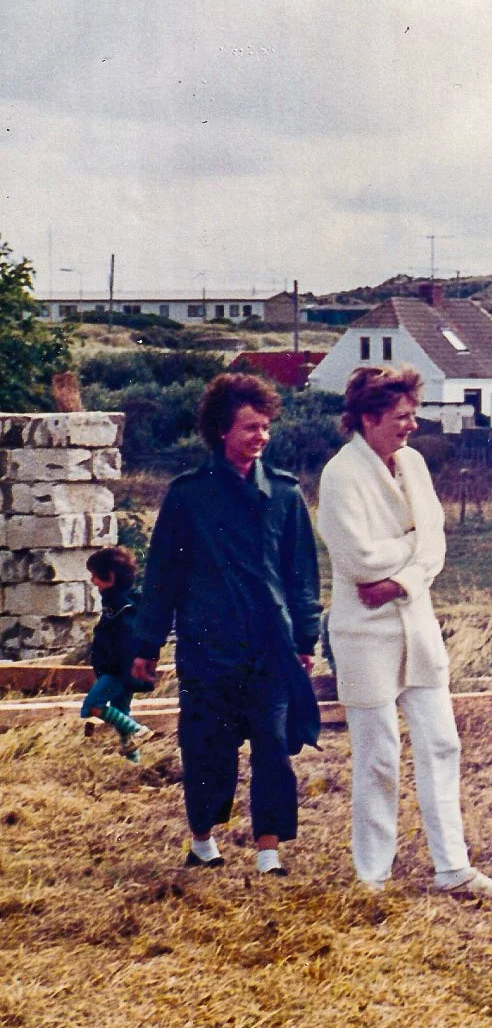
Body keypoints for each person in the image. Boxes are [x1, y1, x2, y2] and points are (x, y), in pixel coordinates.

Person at [318, 366, 492, 896]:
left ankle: (453, 867)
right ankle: (372, 875)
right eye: (401, 416)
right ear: (369, 418)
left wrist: (400, 579)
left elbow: (436, 544)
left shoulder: (415, 464)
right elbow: (357, 559)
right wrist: (412, 545)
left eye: (412, 415)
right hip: (364, 635)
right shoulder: (340, 474)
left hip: (416, 626)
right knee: (378, 757)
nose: (411, 425)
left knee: (442, 743)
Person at [131, 373, 321, 875]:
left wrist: (306, 637)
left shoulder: (285, 495)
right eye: (250, 427)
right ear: (221, 430)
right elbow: (162, 578)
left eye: (265, 427)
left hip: (271, 647)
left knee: (273, 747)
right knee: (207, 748)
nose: (261, 436)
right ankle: (202, 841)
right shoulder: (188, 496)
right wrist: (146, 644)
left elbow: (302, 575)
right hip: (207, 647)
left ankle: (269, 853)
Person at [81, 546, 155, 760]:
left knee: (91, 707)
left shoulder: (121, 607)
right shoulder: (124, 602)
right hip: (122, 670)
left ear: (110, 577)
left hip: (117, 671)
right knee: (121, 712)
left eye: (95, 576)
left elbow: (125, 642)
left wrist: (122, 671)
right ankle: (133, 761)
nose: (93, 581)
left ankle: (139, 730)